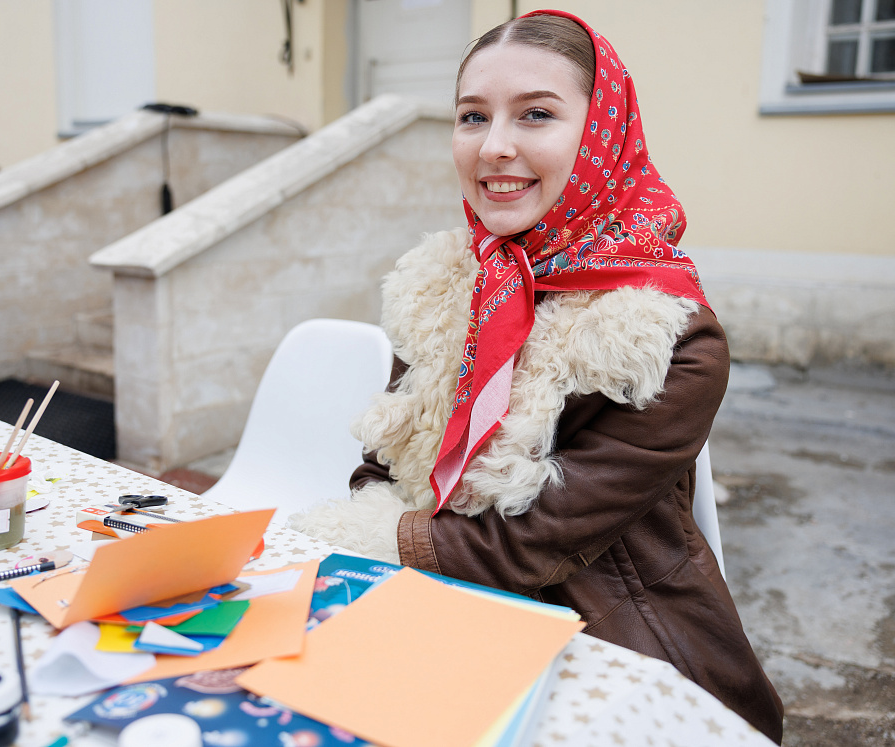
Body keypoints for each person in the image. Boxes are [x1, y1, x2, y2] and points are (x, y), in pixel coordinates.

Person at [289, 10, 785, 743]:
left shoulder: (665, 337)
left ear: (603, 133)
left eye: (536, 115)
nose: (494, 146)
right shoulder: (442, 288)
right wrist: (371, 541)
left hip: (610, 638)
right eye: (472, 116)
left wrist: (376, 539)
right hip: (433, 599)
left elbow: (526, 544)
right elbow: (384, 466)